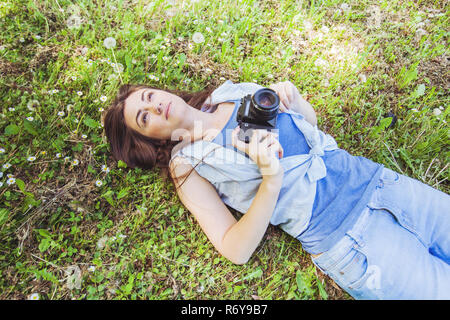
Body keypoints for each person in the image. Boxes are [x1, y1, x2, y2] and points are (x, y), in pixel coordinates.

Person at [103, 79, 450, 299]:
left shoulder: (229, 92)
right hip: (350, 237)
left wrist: (299, 106)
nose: (154, 105)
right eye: (144, 117)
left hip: (381, 183)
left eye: (148, 96)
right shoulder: (188, 166)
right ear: (147, 141)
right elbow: (234, 250)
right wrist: (271, 179)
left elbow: (309, 134)